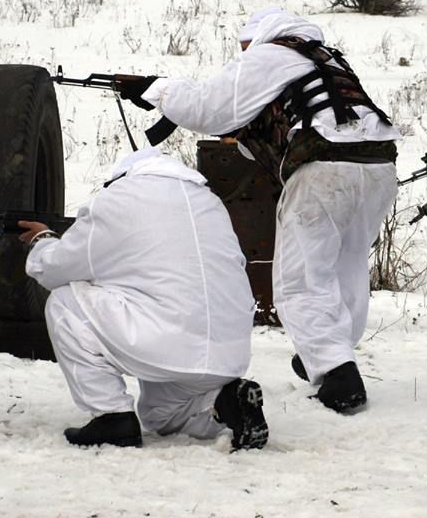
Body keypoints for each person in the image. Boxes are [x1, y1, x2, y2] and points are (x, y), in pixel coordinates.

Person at [119, 8, 400, 413]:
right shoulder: (326, 59)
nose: (244, 55)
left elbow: (207, 107)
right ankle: (331, 352)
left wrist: (156, 89)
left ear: (261, 36)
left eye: (245, 47)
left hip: (325, 170)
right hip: (377, 167)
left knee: (299, 278)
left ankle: (338, 374)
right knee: (345, 265)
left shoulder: (273, 53)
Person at [18, 148, 268, 450]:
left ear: (120, 176)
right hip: (227, 352)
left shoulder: (119, 199)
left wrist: (42, 240)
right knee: (161, 417)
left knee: (65, 303)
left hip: (167, 341)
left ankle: (111, 417)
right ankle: (226, 406)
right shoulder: (210, 203)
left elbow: (57, 268)